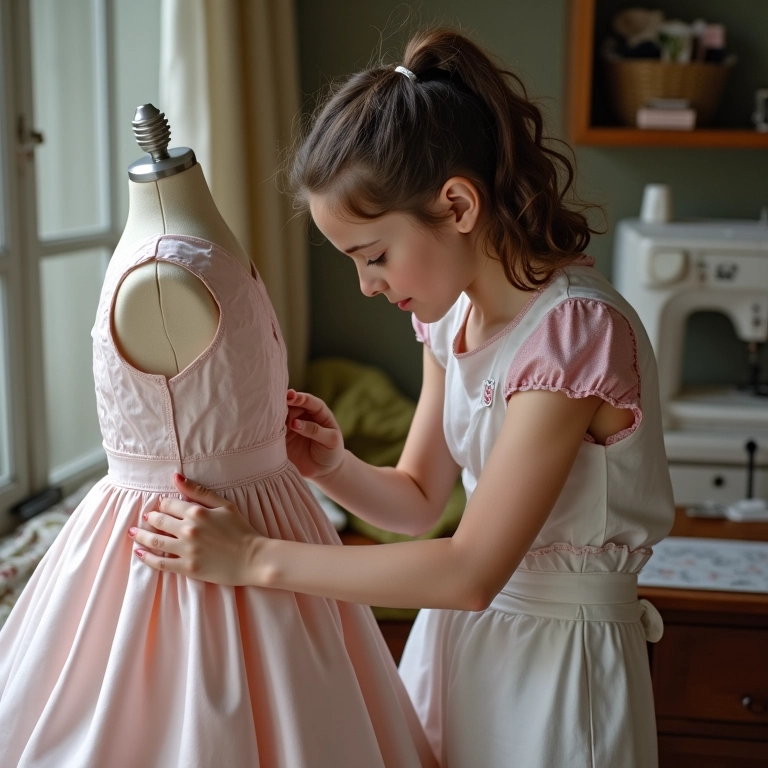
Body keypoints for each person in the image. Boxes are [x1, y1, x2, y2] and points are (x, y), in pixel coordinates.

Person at [132, 27, 675, 767]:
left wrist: (255, 556)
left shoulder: (574, 332)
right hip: (461, 645)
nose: (368, 284)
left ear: (456, 205)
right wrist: (332, 466)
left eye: (375, 256)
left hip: (556, 664)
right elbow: (420, 499)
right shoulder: (450, 319)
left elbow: (470, 569)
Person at [0, 108, 437, 768]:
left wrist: (324, 462)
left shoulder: (205, 251)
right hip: (182, 548)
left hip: (266, 528)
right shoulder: (158, 273)